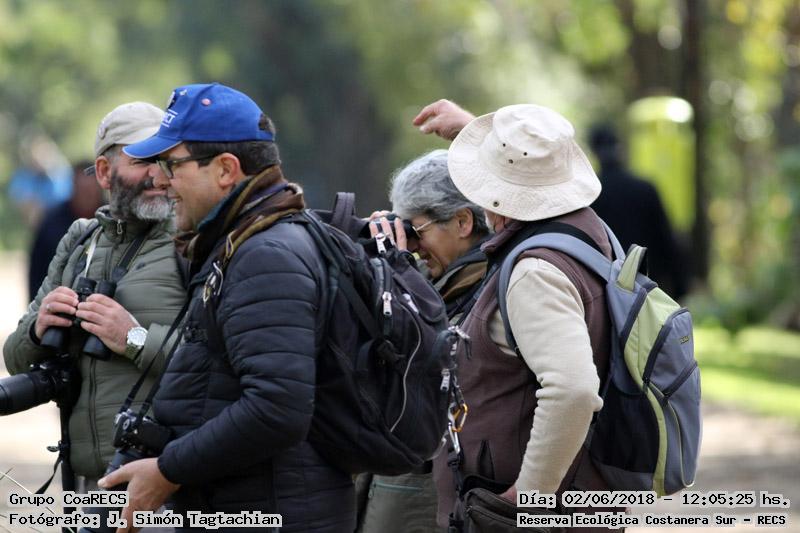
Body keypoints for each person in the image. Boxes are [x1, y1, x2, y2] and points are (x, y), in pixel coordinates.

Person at [99, 83, 354, 533]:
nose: (160, 180)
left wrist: (167, 471)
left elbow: (277, 409)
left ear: (225, 170)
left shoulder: (267, 255)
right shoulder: (242, 244)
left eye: (171, 164)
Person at [416, 100, 620, 532]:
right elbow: (531, 165)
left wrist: (529, 497)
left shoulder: (535, 273)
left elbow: (573, 391)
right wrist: (481, 137)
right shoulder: (587, 230)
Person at [3, 102, 186, 493]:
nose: (157, 175)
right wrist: (38, 329)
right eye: (142, 161)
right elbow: (15, 359)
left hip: (168, 480)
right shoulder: (80, 241)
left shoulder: (192, 242)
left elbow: (216, 365)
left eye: (166, 161)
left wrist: (134, 339)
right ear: (103, 171)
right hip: (90, 482)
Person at [357, 149, 490, 533]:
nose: (411, 245)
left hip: (431, 488)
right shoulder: (443, 281)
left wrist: (397, 273)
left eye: (415, 231)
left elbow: (421, 364)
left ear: (463, 221)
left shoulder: (486, 288)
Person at [588, 123, 688, 298]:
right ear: (619, 148)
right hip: (647, 285)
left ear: (594, 151)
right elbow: (666, 238)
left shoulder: (590, 195)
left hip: (607, 289)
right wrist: (680, 286)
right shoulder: (645, 188)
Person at [28, 160, 106, 300]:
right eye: (82, 190)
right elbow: (37, 270)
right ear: (73, 187)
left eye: (91, 190)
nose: (87, 196)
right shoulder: (51, 222)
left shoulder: (115, 219)